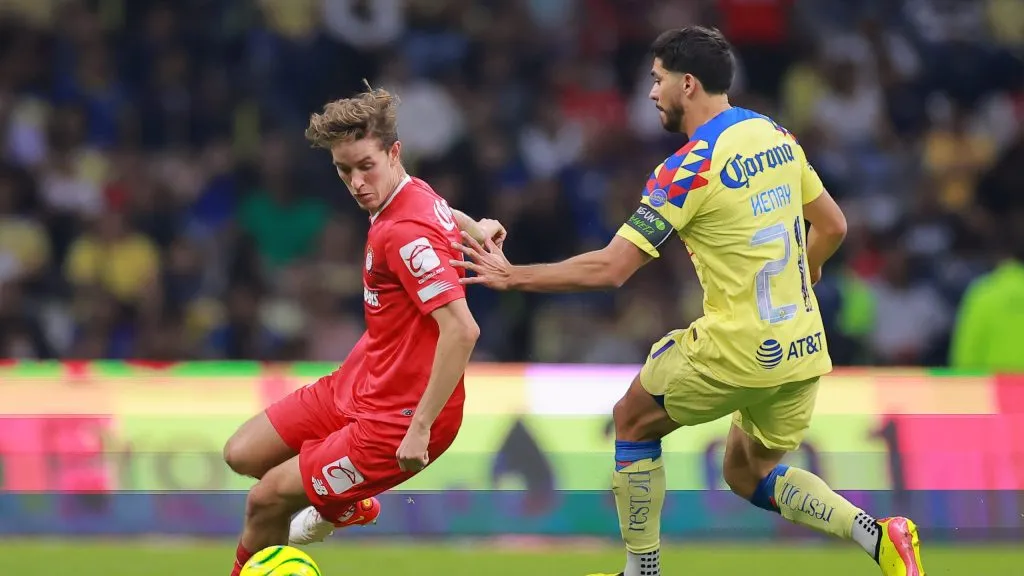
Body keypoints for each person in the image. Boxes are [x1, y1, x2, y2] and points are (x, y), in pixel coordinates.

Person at [452, 27, 924, 576]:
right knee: (748, 473)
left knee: (632, 419)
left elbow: (611, 269)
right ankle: (877, 536)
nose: (652, 93)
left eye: (657, 81)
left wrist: (513, 277)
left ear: (689, 83)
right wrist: (810, 267)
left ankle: (642, 570)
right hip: (801, 346)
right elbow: (835, 225)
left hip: (740, 346)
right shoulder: (773, 135)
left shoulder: (688, 167)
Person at [221, 85, 505, 576]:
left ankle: (335, 501)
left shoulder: (404, 232)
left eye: (364, 167)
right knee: (241, 453)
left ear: (393, 154)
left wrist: (418, 429)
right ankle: (345, 503)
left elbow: (462, 330)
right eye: (342, 170)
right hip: (363, 377)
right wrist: (474, 228)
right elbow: (436, 210)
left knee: (265, 501)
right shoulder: (409, 192)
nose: (355, 182)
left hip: (401, 418)